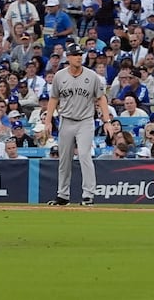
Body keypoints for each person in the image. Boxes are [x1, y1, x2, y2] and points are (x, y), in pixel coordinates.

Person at [41, 43, 116, 205]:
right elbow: (53, 98)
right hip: (66, 120)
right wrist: (48, 121)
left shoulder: (92, 76)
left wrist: (107, 121)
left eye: (80, 54)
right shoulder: (60, 76)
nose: (79, 57)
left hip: (85, 121)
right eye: (75, 55)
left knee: (84, 155)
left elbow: (101, 97)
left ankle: (88, 195)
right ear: (68, 57)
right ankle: (63, 195)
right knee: (64, 159)